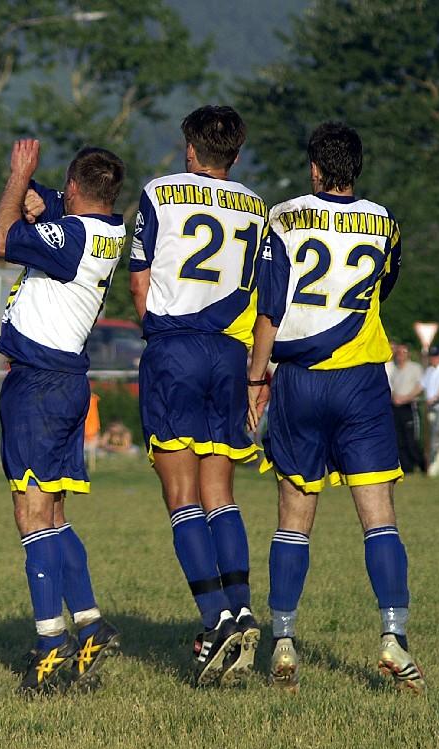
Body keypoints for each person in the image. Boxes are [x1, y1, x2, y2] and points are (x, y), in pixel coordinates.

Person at [248, 122, 425, 694]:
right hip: (361, 379)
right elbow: (382, 285)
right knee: (378, 516)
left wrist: (257, 377)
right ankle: (394, 638)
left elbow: (270, 305)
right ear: (357, 168)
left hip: (299, 378)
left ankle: (283, 642)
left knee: (294, 517)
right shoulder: (385, 223)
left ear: (314, 169)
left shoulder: (284, 215)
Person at [128, 105, 266, 686]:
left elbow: (138, 279)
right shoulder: (258, 208)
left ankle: (214, 624)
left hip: (175, 349)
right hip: (229, 355)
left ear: (189, 150)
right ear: (234, 156)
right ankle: (241, 607)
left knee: (181, 495)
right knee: (221, 494)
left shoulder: (158, 192)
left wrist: (158, 335)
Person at [0, 139, 125, 693]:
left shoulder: (72, 237)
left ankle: (50, 645)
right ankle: (89, 624)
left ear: (74, 188)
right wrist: (42, 196)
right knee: (55, 515)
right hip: (68, 384)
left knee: (31, 514)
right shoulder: (106, 228)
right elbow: (52, 212)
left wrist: (20, 175)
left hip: (39, 385)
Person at [388, 344, 425, 474]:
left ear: (408, 354)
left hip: (408, 406)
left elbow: (420, 386)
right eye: (398, 353)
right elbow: (391, 387)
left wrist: (406, 398)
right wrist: (394, 397)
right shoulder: (395, 370)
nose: (400, 355)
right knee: (399, 439)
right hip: (396, 407)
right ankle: (406, 467)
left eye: (403, 352)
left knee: (411, 439)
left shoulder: (415, 368)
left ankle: (422, 465)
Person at [423, 346, 439, 476]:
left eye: (435, 356)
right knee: (434, 437)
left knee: (437, 436)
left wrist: (435, 397)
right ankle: (436, 466)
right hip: (431, 409)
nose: (433, 359)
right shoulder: (429, 370)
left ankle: (434, 466)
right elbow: (421, 385)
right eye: (431, 356)